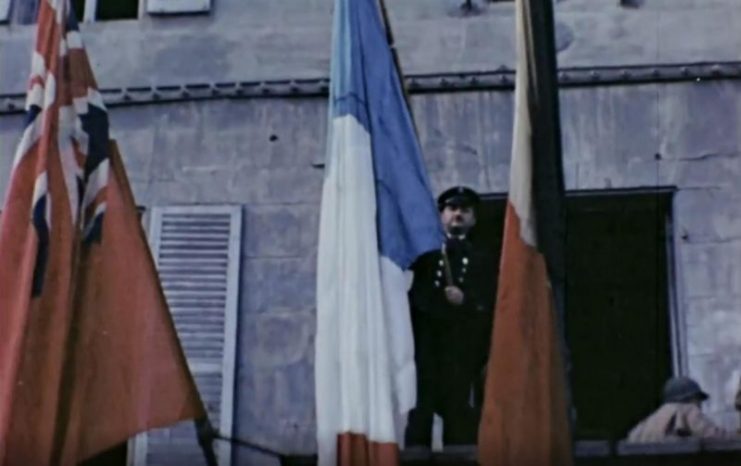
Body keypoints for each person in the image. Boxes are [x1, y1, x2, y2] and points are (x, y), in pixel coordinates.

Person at [405, 186, 495, 446]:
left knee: (457, 408)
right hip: (426, 343)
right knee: (421, 406)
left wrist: (465, 300)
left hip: (460, 345)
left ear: (473, 219)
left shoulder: (481, 258)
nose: (458, 214)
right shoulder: (425, 253)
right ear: (441, 215)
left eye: (465, 210)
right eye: (452, 209)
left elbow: (489, 300)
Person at [626, 376, 736, 443]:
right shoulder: (688, 409)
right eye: (698, 399)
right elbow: (714, 436)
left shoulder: (648, 423)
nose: (699, 405)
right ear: (692, 398)